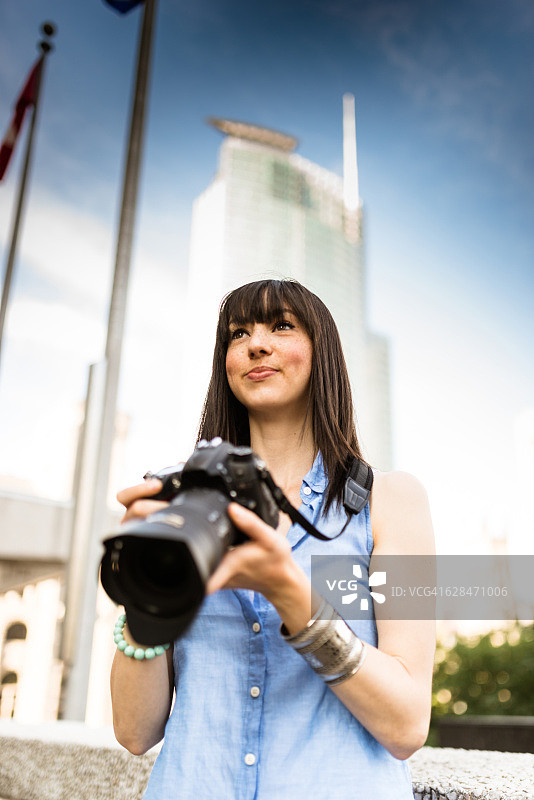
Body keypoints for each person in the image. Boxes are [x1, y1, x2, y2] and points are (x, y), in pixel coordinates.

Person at [110, 279, 436, 800]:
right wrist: (143, 595)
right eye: (238, 334)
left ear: (321, 353)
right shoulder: (180, 504)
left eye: (281, 326)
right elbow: (134, 732)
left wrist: (290, 592)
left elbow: (407, 725)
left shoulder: (390, 501)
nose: (255, 344)